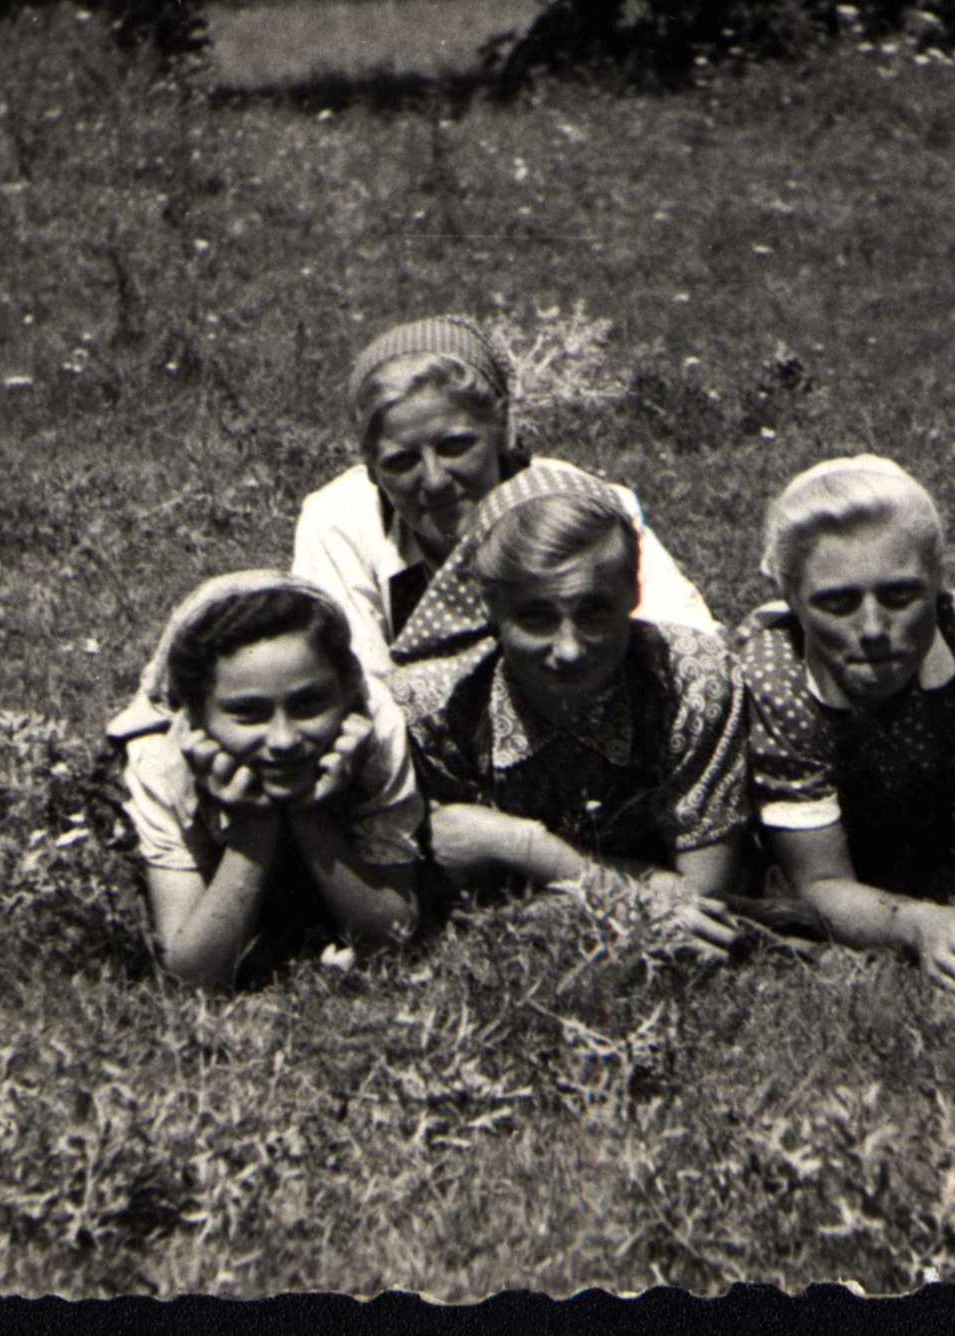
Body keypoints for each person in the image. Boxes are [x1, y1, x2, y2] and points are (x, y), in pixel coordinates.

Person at [388, 463, 747, 953]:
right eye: (536, 618)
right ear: (490, 608)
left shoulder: (693, 678)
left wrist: (518, 845)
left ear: (633, 592)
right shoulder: (433, 708)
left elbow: (701, 908)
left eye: (595, 611)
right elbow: (429, 911)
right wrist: (645, 893)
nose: (570, 649)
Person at [736, 456, 955, 995]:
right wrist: (917, 926)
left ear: (939, 580)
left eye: (900, 596)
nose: (873, 628)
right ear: (790, 599)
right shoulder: (772, 674)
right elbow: (820, 880)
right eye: (837, 603)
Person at [294, 316, 715, 683]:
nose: (435, 482)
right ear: (370, 468)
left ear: (503, 429)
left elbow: (691, 645)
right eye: (401, 462)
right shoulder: (342, 518)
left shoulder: (581, 504)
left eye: (456, 446)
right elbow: (352, 680)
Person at [107, 572, 429, 991]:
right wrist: (253, 829)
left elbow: (393, 940)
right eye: (248, 713)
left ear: (348, 688)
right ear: (195, 714)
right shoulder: (163, 762)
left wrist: (310, 815)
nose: (284, 740)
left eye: (309, 703)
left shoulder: (374, 730)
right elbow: (192, 977)